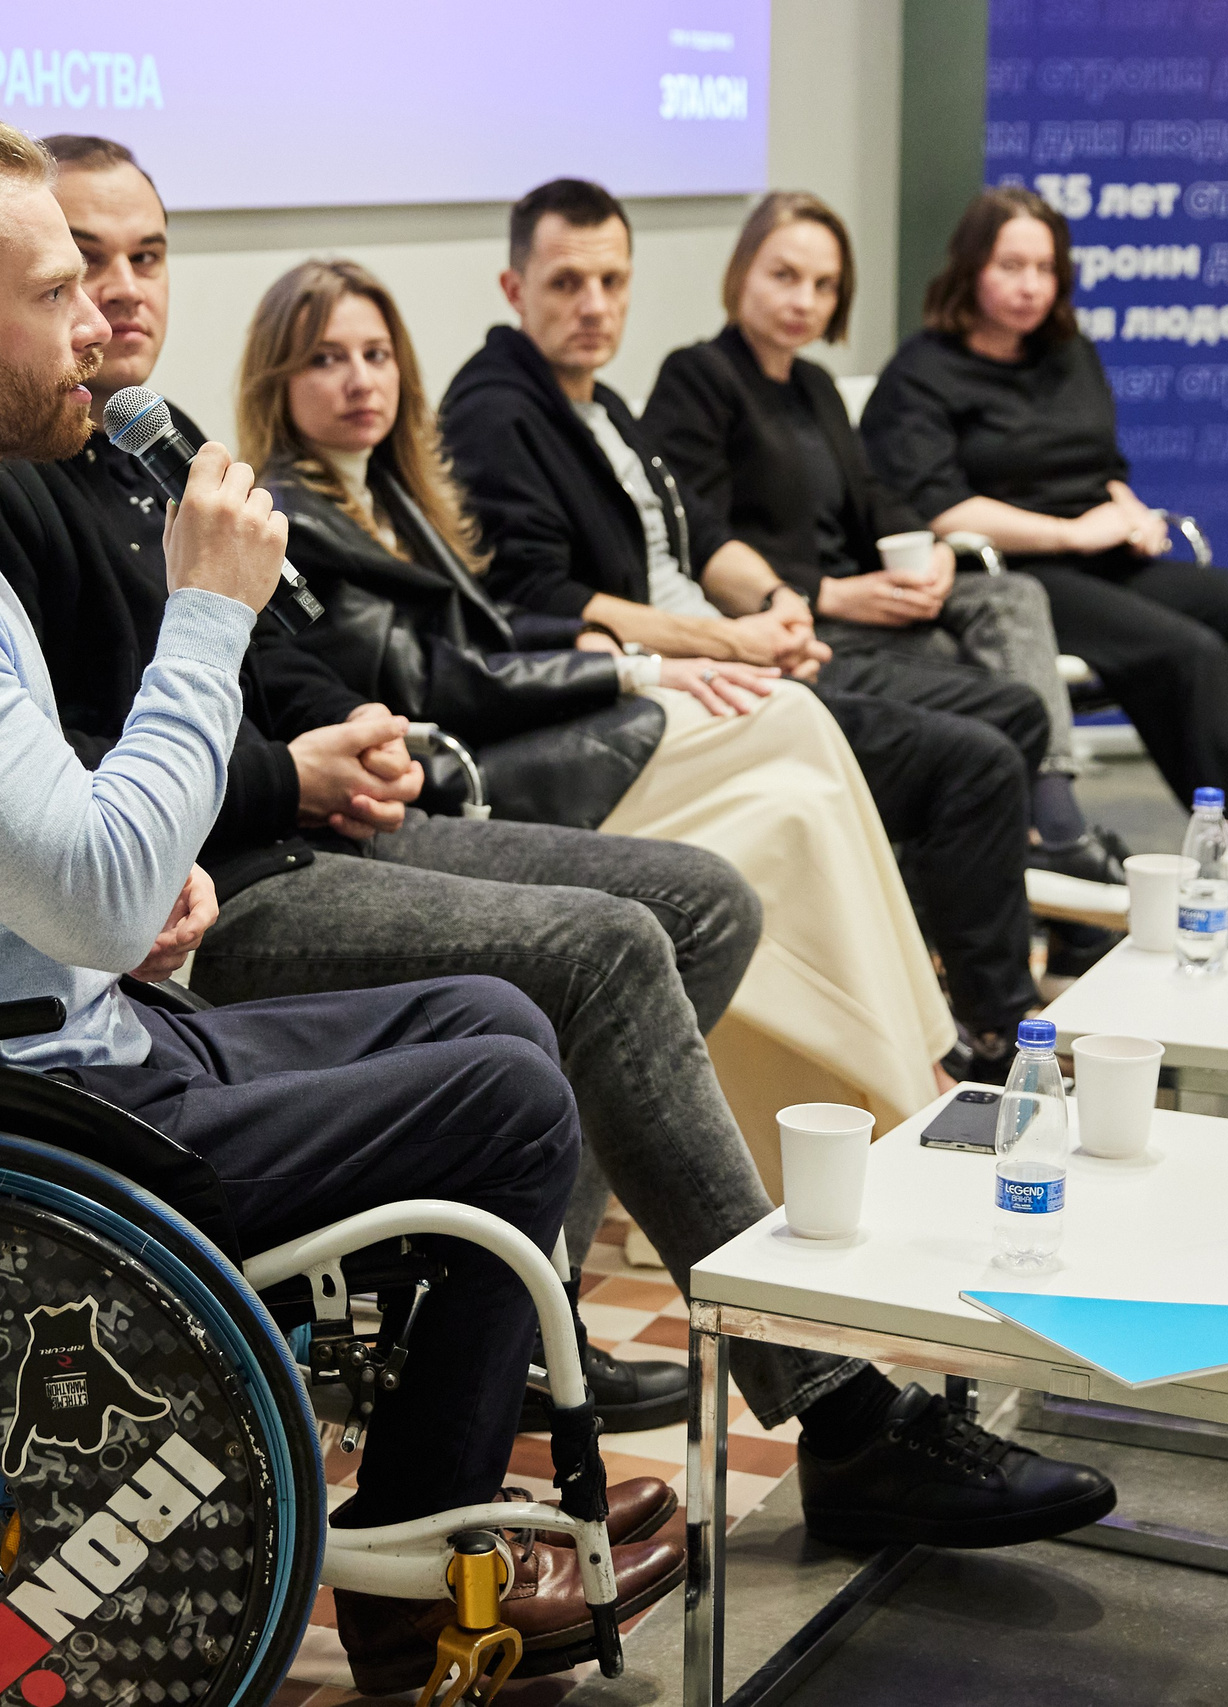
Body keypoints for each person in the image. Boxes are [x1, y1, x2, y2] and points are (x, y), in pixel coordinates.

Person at [0, 109, 678, 1689]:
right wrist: (207, 613)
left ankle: (426, 1523)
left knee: (496, 1012)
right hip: (12, 1109)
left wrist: (116, 896)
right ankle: (417, 1573)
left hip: (63, 1028)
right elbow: (91, 883)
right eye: (51, 290)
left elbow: (57, 853)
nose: (98, 320)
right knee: (509, 1092)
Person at [237, 247, 1117, 1648]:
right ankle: (833, 1389)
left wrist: (722, 630)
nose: (357, 378)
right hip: (370, 816)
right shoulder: (257, 502)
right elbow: (402, 684)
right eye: (326, 357)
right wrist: (655, 655)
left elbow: (401, 668)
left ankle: (893, 1118)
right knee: (664, 896)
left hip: (398, 785)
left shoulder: (376, 486)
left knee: (714, 882)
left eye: (371, 353)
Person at [0, 134, 738, 1446]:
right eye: (84, 261)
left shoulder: (164, 442)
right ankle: (818, 1390)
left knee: (705, 899)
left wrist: (353, 731)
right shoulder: (8, 487)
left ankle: (513, 1296)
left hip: (304, 827)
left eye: (147, 255)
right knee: (606, 947)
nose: (123, 288)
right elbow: (73, 774)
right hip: (219, 894)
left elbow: (285, 651)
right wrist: (290, 771)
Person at [442, 178, 1055, 1085]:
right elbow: (549, 603)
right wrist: (733, 643)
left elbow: (700, 532)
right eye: (568, 284)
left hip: (723, 658)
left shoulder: (602, 404)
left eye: (613, 282)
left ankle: (942, 1040)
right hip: (659, 692)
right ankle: (968, 1048)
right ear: (513, 289)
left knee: (985, 735)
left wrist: (775, 602)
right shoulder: (500, 408)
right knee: (968, 762)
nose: (595, 306)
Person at [643, 190, 1125, 889]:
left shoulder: (814, 385)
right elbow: (697, 537)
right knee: (986, 687)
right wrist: (833, 591)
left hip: (870, 604)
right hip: (793, 620)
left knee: (1012, 594)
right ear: (741, 271)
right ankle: (1044, 849)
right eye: (784, 275)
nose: (803, 299)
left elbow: (875, 498)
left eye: (824, 285)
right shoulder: (698, 377)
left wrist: (926, 549)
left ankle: (1051, 825)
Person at [860, 186, 1228, 812]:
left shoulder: (1068, 354)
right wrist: (1069, 534)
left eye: (1046, 269)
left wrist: (1129, 513)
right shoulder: (921, 374)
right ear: (970, 270)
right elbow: (940, 508)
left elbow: (1103, 466)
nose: (1031, 287)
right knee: (1188, 652)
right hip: (1016, 574)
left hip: (1103, 556)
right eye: (1011, 267)